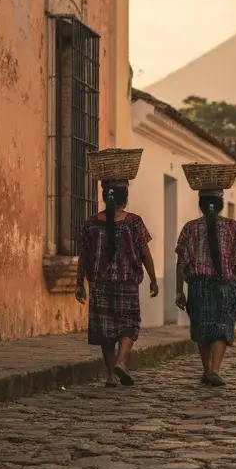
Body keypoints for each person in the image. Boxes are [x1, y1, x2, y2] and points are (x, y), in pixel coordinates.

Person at [75, 149, 158, 387]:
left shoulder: (91, 223)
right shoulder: (134, 222)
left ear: (104, 196)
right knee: (128, 325)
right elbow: (145, 253)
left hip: (100, 283)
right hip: (127, 282)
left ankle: (110, 375)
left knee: (106, 329)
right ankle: (122, 362)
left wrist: (79, 283)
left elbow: (84, 256)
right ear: (125, 197)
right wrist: (153, 279)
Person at [175, 164, 236, 387]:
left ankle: (207, 369)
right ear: (220, 204)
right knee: (222, 327)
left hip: (198, 286)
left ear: (201, 205)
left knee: (202, 328)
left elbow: (180, 261)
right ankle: (216, 369)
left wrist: (179, 291)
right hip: (225, 285)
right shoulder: (233, 227)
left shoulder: (189, 228)